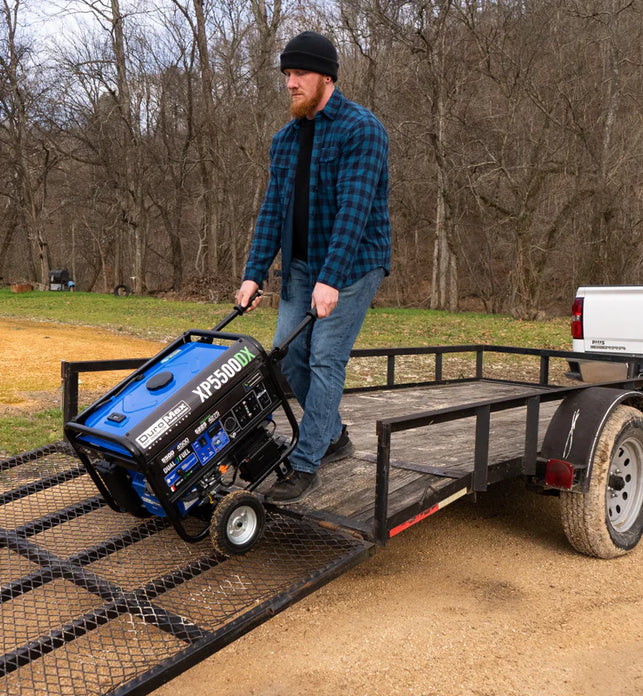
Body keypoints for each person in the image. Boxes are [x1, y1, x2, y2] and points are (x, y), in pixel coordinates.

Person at [237, 30, 391, 504]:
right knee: (288, 354)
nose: (290, 82)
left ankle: (306, 463)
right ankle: (334, 436)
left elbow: (355, 209)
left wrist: (331, 280)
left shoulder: (361, 130)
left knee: (326, 356)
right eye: (286, 74)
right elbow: (272, 211)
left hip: (353, 263)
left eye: (299, 73)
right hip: (302, 265)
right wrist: (254, 272)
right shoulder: (283, 141)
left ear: (326, 76)